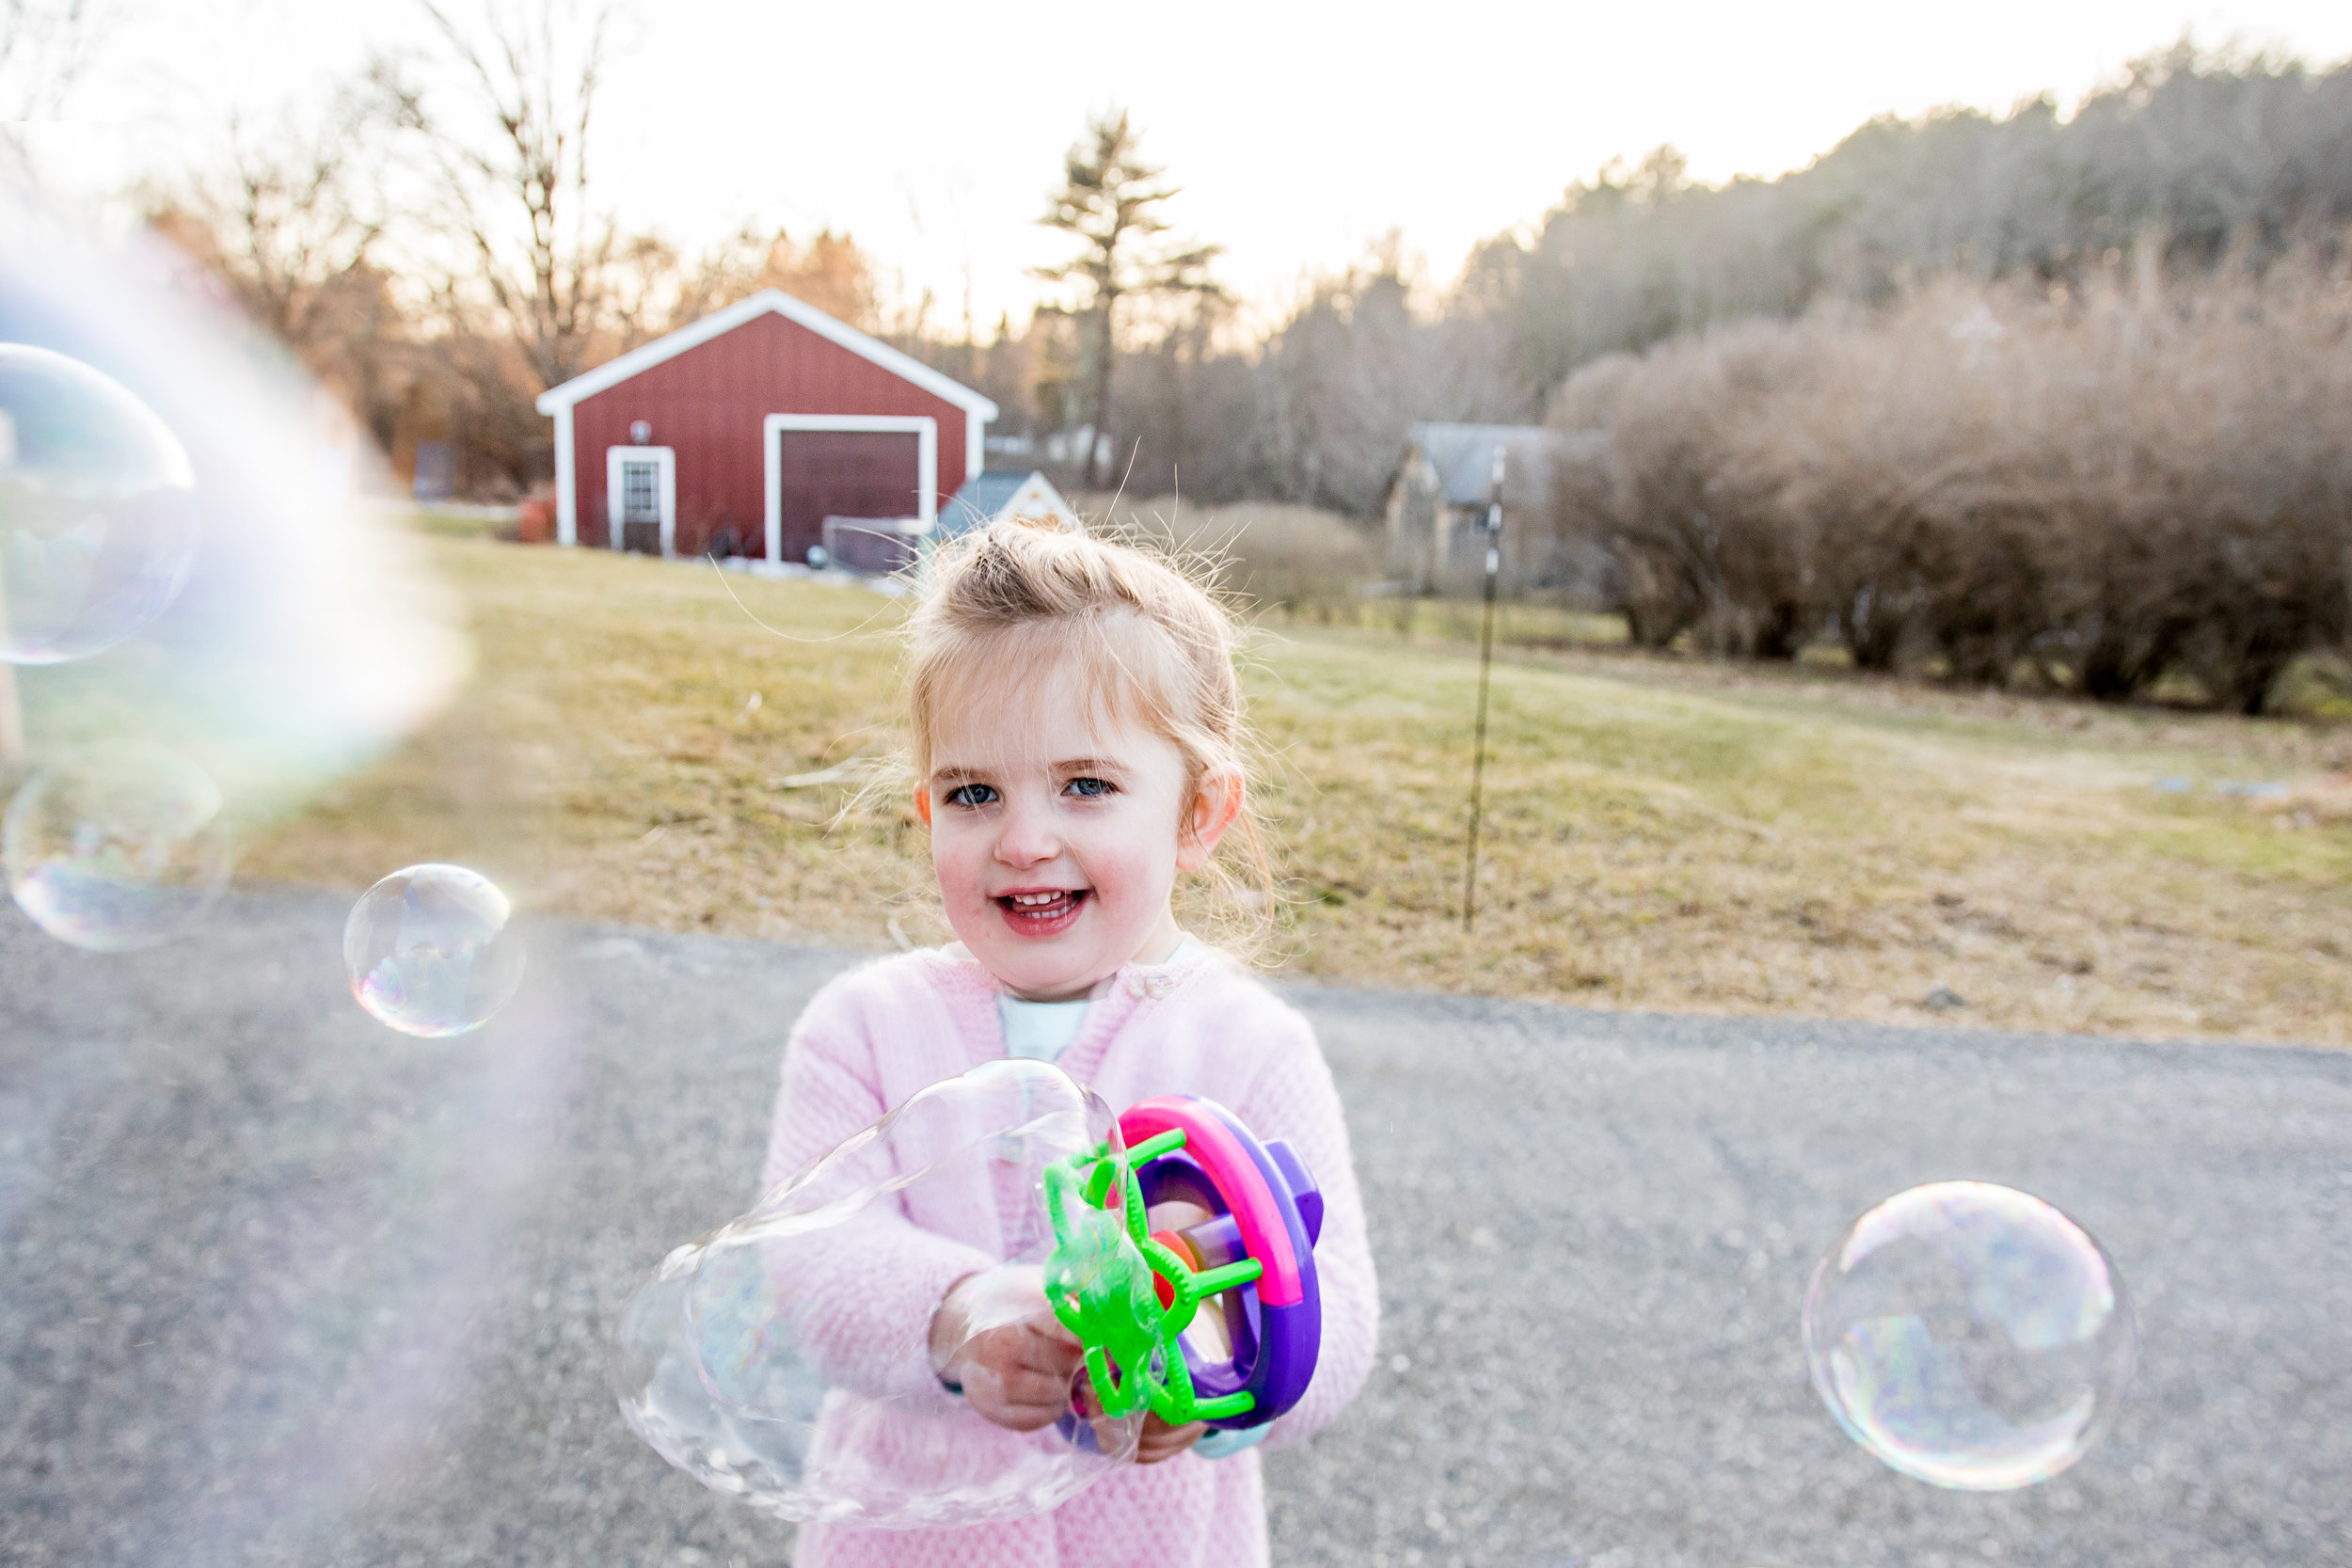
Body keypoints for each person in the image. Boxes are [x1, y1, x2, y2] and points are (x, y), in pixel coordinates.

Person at [762, 515, 1378, 1566]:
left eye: (1085, 784)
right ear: (926, 812)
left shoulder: (1246, 1046)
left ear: (1199, 811)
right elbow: (812, 1261)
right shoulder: (862, 1026)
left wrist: (1211, 1370)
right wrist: (960, 1315)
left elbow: (1337, 1318)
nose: (1023, 838)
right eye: (973, 792)